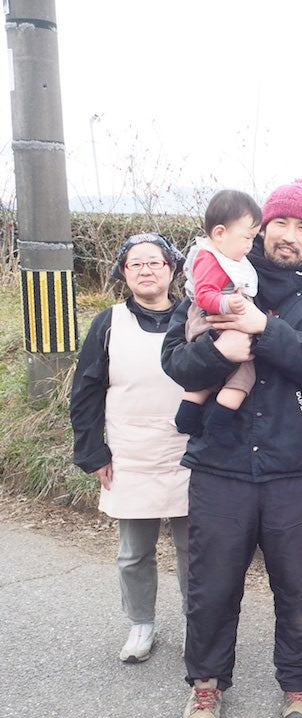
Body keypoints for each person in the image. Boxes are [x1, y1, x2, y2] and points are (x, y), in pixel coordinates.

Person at [161, 178, 302, 718]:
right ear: (261, 227)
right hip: (219, 462)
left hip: (292, 464)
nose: (289, 237)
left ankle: (297, 681)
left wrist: (263, 329)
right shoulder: (216, 278)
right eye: (281, 224)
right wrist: (219, 348)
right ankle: (205, 685)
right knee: (212, 583)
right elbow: (175, 362)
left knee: (297, 584)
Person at [70, 233, 189, 665]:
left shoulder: (194, 316)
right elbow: (85, 392)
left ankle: (199, 624)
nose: (145, 270)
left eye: (154, 262)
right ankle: (141, 624)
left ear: (172, 270)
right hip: (130, 451)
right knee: (134, 551)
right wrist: (92, 451)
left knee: (194, 548)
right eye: (135, 263)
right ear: (124, 272)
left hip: (189, 450)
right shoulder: (108, 322)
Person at [174, 190, 262, 443]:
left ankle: (187, 415)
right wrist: (228, 302)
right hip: (215, 321)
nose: (250, 245)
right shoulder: (212, 260)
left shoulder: (216, 255)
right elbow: (203, 295)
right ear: (220, 233)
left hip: (207, 325)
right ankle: (219, 424)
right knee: (244, 375)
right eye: (247, 237)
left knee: (209, 375)